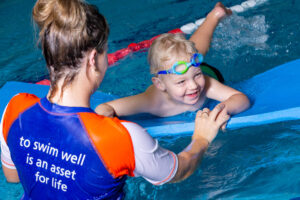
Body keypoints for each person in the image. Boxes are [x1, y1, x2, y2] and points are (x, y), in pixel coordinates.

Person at [1, 0, 229, 199]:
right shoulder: (123, 138)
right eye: (105, 53)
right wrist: (201, 138)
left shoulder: (15, 108)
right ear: (93, 59)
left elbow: (12, 176)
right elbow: (181, 170)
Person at [95, 3, 250, 124]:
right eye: (181, 82)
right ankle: (213, 18)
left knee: (195, 50)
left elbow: (241, 99)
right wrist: (103, 117)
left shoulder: (206, 84)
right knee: (191, 52)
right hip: (186, 70)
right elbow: (106, 107)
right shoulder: (153, 101)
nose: (193, 86)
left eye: (197, 76)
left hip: (207, 70)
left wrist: (220, 110)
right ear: (160, 84)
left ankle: (214, 17)